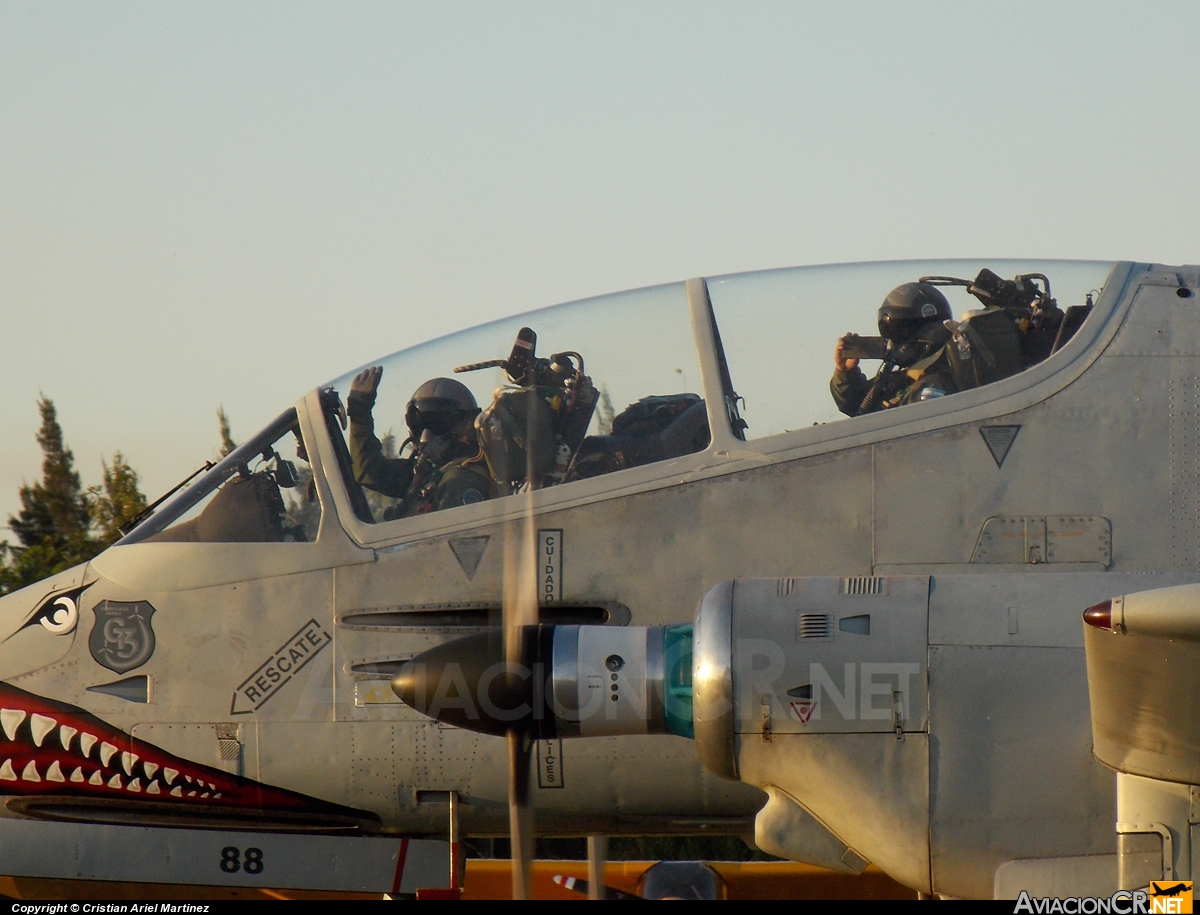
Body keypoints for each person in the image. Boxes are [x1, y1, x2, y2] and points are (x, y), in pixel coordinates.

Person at [347, 367, 497, 519]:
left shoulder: (460, 481)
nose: (425, 435)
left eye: (436, 422)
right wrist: (359, 413)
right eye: (418, 424)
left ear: (466, 424)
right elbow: (370, 472)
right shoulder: (428, 473)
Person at [831, 282, 958, 417]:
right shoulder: (900, 379)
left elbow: (903, 429)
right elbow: (856, 404)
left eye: (899, 332)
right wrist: (846, 372)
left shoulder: (935, 385)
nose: (892, 342)